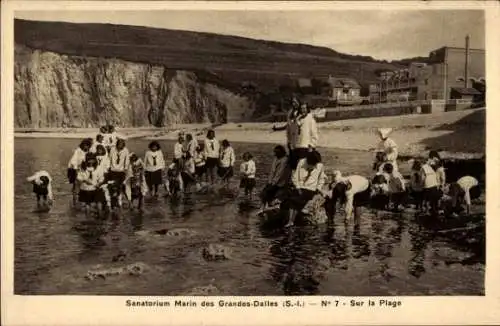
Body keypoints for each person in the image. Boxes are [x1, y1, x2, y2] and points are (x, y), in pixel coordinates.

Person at [285, 151, 326, 227]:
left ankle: (291, 221)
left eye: (315, 163)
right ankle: (290, 221)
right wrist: (298, 188)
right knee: (294, 198)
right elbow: (295, 176)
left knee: (297, 200)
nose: (314, 165)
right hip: (300, 187)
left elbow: (321, 179)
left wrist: (318, 188)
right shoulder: (302, 162)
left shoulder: (320, 165)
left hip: (311, 188)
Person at [288, 102, 319, 170]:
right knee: (295, 168)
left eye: (304, 108)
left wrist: (311, 146)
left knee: (304, 168)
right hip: (296, 147)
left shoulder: (311, 120)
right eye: (301, 108)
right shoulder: (297, 120)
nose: (303, 110)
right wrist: (297, 120)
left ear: (307, 109)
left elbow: (314, 134)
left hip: (306, 147)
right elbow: (293, 133)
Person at [259, 145, 289, 212]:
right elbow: (272, 171)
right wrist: (269, 181)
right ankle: (263, 207)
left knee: (270, 193)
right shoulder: (276, 158)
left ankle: (271, 207)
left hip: (280, 182)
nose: (275, 154)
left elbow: (280, 173)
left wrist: (273, 183)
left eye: (277, 152)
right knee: (264, 193)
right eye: (275, 152)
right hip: (273, 181)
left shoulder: (284, 160)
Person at [67, 138, 92, 205]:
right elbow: (73, 161)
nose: (86, 147)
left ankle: (80, 198)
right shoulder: (78, 151)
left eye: (87, 145)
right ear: (82, 145)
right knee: (76, 183)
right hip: (73, 168)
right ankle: (74, 201)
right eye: (85, 145)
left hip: (82, 168)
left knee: (82, 183)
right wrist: (76, 170)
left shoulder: (88, 152)